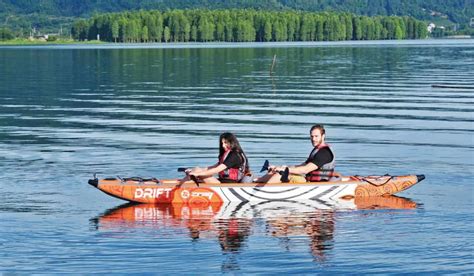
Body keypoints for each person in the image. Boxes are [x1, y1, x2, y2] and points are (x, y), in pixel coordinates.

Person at [256, 124, 336, 183]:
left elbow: (305, 170)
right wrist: (279, 167)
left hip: (314, 184)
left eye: (316, 136)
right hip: (306, 180)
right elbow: (302, 165)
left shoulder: (325, 153)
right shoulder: (316, 150)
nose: (313, 139)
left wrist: (284, 170)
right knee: (275, 172)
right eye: (311, 136)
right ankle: (256, 182)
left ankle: (262, 190)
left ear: (323, 136)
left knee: (281, 174)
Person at [181, 132, 250, 184]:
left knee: (197, 171)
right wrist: (193, 171)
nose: (223, 145)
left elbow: (217, 170)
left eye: (226, 143)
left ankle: (179, 187)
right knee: (196, 169)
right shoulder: (228, 154)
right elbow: (212, 167)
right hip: (221, 182)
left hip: (228, 185)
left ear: (232, 142)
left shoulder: (235, 156)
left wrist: (198, 174)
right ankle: (180, 185)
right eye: (222, 143)